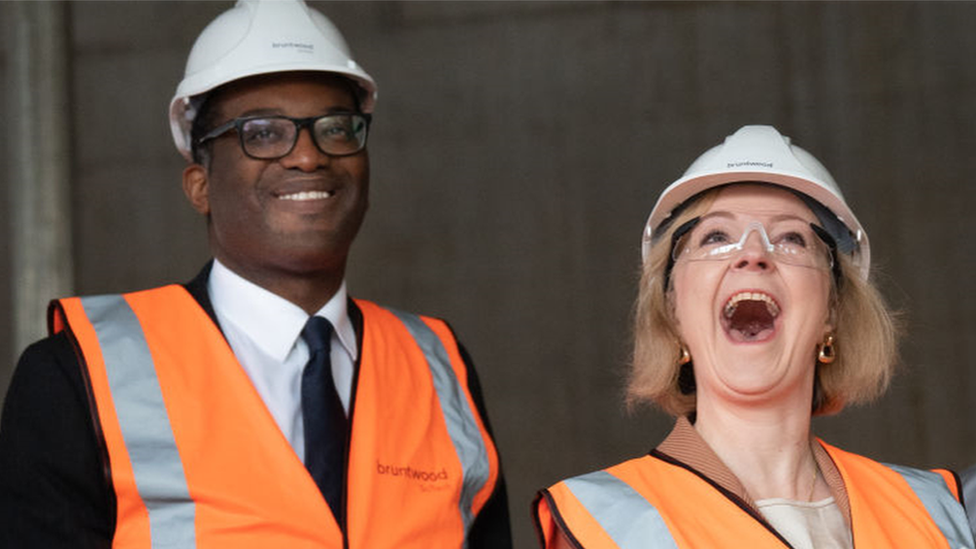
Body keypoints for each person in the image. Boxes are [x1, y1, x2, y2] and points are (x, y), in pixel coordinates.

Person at [0, 0, 511, 547]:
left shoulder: (437, 363)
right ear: (200, 184)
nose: (310, 157)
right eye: (263, 133)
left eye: (336, 128)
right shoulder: (80, 373)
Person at [532, 125, 974, 548]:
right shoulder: (603, 524)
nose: (753, 254)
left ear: (832, 312)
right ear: (673, 312)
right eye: (716, 236)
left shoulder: (934, 509)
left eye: (792, 239)